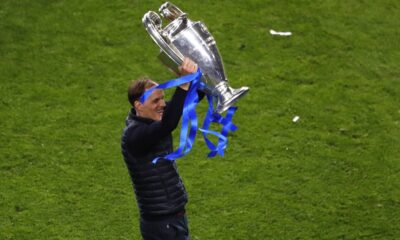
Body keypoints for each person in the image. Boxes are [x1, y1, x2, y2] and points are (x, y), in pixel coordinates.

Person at [121, 58, 201, 240]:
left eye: (163, 98)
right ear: (138, 106)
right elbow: (169, 123)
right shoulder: (135, 136)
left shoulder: (156, 119)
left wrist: (193, 77)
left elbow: (191, 99)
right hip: (160, 225)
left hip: (174, 219)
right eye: (156, 101)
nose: (163, 104)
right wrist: (183, 84)